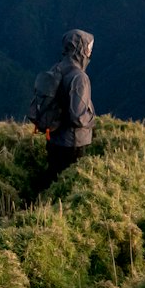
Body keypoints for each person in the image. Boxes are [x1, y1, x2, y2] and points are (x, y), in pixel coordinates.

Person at [46, 28, 95, 178]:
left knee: (54, 177)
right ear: (81, 49)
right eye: (89, 48)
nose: (90, 52)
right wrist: (92, 120)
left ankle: (46, 200)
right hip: (73, 142)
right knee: (69, 181)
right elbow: (78, 117)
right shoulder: (80, 78)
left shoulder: (56, 68)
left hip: (54, 138)